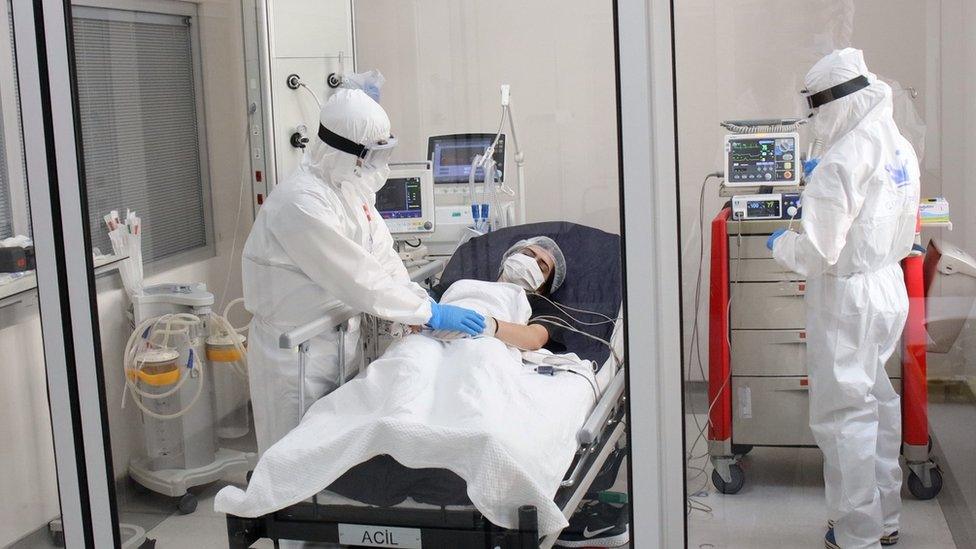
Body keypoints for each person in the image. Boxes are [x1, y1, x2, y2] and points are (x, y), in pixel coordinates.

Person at [242, 89, 484, 454]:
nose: (382, 167)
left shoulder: (352, 193)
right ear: (345, 152)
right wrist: (428, 312)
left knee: (334, 452)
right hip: (295, 359)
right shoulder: (300, 203)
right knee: (290, 458)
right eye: (376, 155)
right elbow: (358, 279)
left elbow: (382, 260)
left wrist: (419, 301)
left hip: (339, 343)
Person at [767, 48, 920, 549]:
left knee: (843, 417)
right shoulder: (896, 144)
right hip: (886, 287)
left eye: (817, 109)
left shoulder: (841, 161)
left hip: (848, 297)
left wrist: (780, 243)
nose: (815, 120)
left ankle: (856, 533)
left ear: (837, 103)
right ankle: (886, 518)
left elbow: (816, 253)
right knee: (875, 400)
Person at [487, 237, 572, 352]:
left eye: (541, 268)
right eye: (527, 255)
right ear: (512, 256)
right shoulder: (472, 286)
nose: (531, 262)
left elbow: (534, 338)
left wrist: (488, 325)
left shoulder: (544, 307)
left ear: (541, 288)